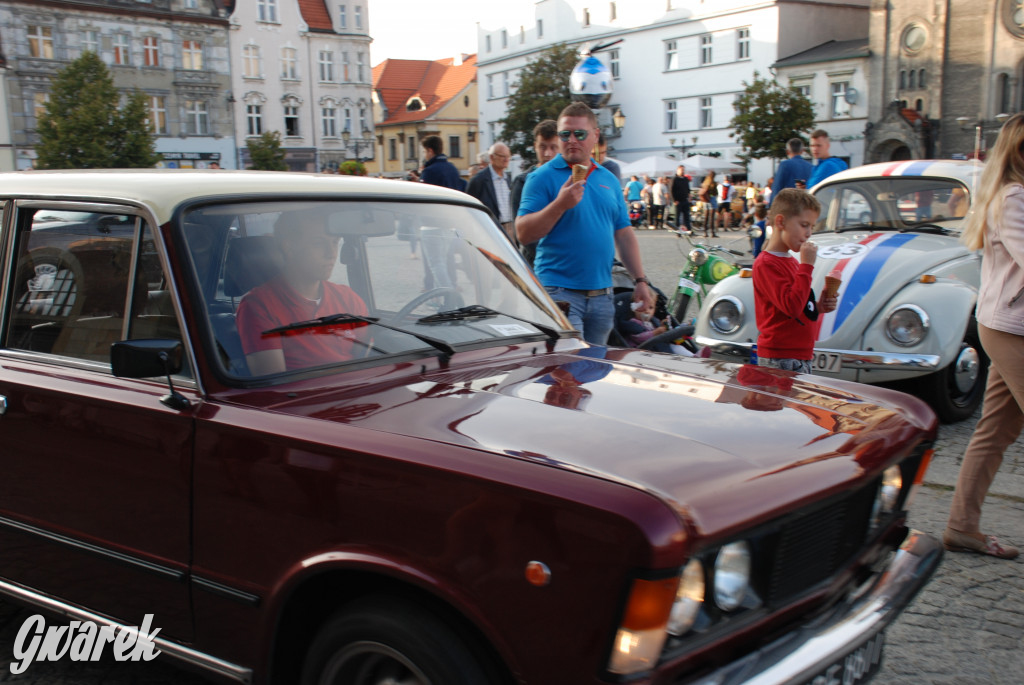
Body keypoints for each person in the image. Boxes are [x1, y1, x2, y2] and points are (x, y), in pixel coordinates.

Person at [943, 113, 1024, 560]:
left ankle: (962, 527)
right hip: (1012, 326)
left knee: (996, 430)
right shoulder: (1013, 197)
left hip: (1008, 324)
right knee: (996, 430)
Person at [516, 101, 655, 344]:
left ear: (595, 136)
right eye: (565, 134)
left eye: (579, 134)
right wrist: (560, 205)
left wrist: (640, 281)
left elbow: (623, 234)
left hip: (602, 295)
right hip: (559, 292)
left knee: (593, 364)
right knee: (570, 365)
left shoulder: (608, 179)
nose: (571, 140)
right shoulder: (541, 177)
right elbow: (523, 233)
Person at [237, 212, 369, 375]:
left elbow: (368, 357)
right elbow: (275, 383)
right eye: (318, 243)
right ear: (289, 247)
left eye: (335, 242)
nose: (331, 253)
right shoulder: (259, 306)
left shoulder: (348, 298)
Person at [752, 188, 837, 373]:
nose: (809, 233)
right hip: (779, 356)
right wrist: (807, 266)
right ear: (780, 222)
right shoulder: (766, 264)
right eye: (804, 225)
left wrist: (818, 307)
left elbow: (799, 307)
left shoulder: (792, 262)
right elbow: (791, 307)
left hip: (800, 354)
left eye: (812, 227)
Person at [511, 119, 560, 266]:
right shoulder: (522, 182)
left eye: (553, 147)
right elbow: (521, 232)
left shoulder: (567, 180)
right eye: (542, 147)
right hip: (538, 264)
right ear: (535, 146)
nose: (547, 153)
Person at [467, 142, 515, 244]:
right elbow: (469, 210)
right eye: (502, 156)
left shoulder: (507, 179)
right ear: (492, 157)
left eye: (508, 156)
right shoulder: (479, 180)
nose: (506, 160)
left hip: (509, 228)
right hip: (489, 229)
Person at [771, 138, 814, 204]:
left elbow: (777, 188)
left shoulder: (784, 165)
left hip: (788, 205)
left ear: (787, 151)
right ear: (802, 151)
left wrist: (772, 205)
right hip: (805, 205)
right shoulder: (811, 167)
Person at [671, 165, 692, 232]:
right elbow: (671, 190)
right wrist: (674, 200)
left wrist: (689, 196)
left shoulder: (685, 179)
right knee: (677, 217)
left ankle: (689, 230)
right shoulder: (674, 179)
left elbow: (688, 189)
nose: (682, 171)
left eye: (683, 170)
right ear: (677, 170)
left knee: (687, 216)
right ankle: (677, 231)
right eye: (681, 170)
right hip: (678, 201)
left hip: (685, 200)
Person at [699, 171, 719, 236]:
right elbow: (715, 192)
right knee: (712, 217)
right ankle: (712, 232)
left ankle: (705, 232)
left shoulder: (705, 182)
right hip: (711, 198)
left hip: (705, 200)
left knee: (706, 216)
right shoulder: (712, 183)